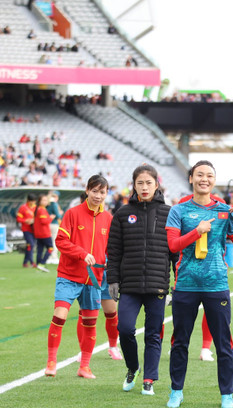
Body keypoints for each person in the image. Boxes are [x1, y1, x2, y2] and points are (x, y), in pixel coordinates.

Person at [165, 161, 233, 408]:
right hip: (186, 284)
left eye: (210, 176)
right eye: (200, 175)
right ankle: (176, 391)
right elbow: (173, 246)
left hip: (216, 284)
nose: (205, 179)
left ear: (214, 181)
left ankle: (227, 394)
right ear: (191, 178)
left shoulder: (224, 210)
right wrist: (197, 231)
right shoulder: (178, 211)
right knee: (180, 341)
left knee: (223, 342)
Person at [107, 164, 174, 396]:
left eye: (148, 183)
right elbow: (114, 251)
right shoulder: (123, 214)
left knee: (153, 333)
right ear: (133, 186)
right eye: (140, 183)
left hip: (157, 284)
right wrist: (112, 279)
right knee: (124, 329)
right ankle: (133, 368)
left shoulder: (169, 213)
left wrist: (177, 284)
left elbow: (176, 252)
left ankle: (149, 378)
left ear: (156, 184)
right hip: (130, 284)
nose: (144, 187)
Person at [45, 175, 112, 379]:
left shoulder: (108, 218)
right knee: (60, 316)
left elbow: (111, 247)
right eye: (95, 191)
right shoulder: (73, 214)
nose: (98, 196)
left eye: (102, 192)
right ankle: (51, 361)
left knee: (90, 323)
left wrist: (110, 259)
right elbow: (61, 241)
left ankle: (84, 366)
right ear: (87, 190)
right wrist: (82, 254)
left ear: (106, 194)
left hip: (94, 279)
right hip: (69, 275)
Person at [32, 193, 56, 272]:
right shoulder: (41, 210)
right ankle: (42, 263)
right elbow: (44, 221)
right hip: (44, 233)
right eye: (44, 200)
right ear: (40, 201)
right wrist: (51, 218)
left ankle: (39, 265)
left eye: (46, 200)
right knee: (50, 248)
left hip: (38, 234)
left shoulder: (38, 209)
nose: (46, 201)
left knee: (40, 250)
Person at [17, 194, 38, 268]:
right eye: (31, 201)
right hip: (26, 229)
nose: (33, 203)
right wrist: (25, 220)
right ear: (28, 200)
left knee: (30, 246)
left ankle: (25, 262)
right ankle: (32, 262)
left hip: (35, 229)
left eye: (34, 201)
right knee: (30, 244)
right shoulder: (23, 207)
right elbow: (18, 219)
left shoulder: (36, 207)